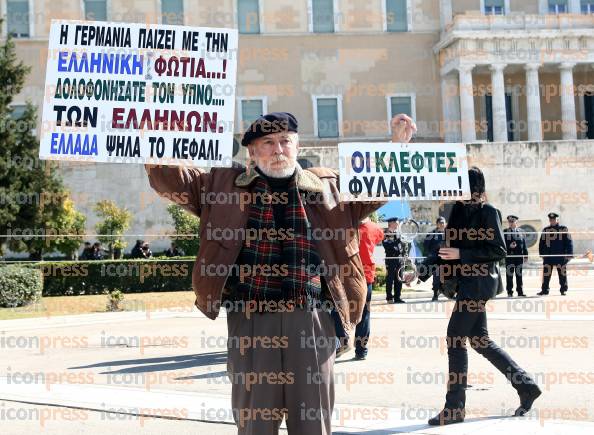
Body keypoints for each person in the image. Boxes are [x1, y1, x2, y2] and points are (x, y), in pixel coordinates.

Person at [145, 111, 417, 435]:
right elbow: (174, 180)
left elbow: (374, 186)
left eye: (285, 142)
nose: (278, 150)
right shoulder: (222, 184)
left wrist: (397, 146)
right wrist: (150, 142)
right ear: (252, 152)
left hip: (312, 320)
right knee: (255, 423)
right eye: (268, 143)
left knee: (312, 423)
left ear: (297, 146)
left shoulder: (329, 185)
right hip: (251, 321)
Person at [415, 167, 541, 426]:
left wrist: (463, 255)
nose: (453, 189)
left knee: (454, 338)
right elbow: (445, 250)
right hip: (465, 284)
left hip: (480, 283)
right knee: (480, 341)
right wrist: (420, 271)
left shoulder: (488, 212)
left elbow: (498, 250)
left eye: (458, 184)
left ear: (473, 187)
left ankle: (454, 408)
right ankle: (526, 386)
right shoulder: (456, 212)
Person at [353, 217, 384, 360]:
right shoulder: (375, 228)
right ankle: (361, 350)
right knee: (364, 314)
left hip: (349, 275)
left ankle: (340, 343)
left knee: (339, 310)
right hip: (365, 275)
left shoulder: (346, 226)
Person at [537, 212, 573, 296]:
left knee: (562, 274)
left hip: (560, 256)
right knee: (546, 274)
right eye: (550, 220)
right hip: (548, 256)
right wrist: (542, 254)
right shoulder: (546, 230)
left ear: (557, 219)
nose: (552, 221)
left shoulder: (563, 229)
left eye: (554, 219)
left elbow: (569, 242)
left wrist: (569, 255)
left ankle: (563, 290)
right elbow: (541, 243)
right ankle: (544, 290)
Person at [382, 217, 407, 303]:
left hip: (399, 259)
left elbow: (401, 246)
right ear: (391, 223)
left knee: (399, 278)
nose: (398, 224)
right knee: (390, 279)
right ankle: (389, 297)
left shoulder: (397, 233)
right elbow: (388, 246)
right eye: (396, 222)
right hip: (391, 259)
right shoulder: (386, 234)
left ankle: (397, 297)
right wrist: (398, 240)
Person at [423, 216, 446, 301]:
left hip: (447, 258)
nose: (442, 224)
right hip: (436, 258)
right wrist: (432, 254)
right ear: (437, 224)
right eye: (440, 223)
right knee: (436, 277)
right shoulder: (432, 234)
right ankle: (435, 294)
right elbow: (426, 245)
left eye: (443, 223)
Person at [504, 215, 528, 297]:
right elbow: (502, 245)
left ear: (516, 222)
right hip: (510, 256)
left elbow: (524, 244)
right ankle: (510, 292)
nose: (511, 223)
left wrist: (526, 255)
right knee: (509, 275)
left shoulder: (521, 231)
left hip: (519, 256)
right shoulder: (505, 231)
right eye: (509, 222)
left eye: (512, 221)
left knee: (519, 275)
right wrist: (509, 247)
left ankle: (520, 291)